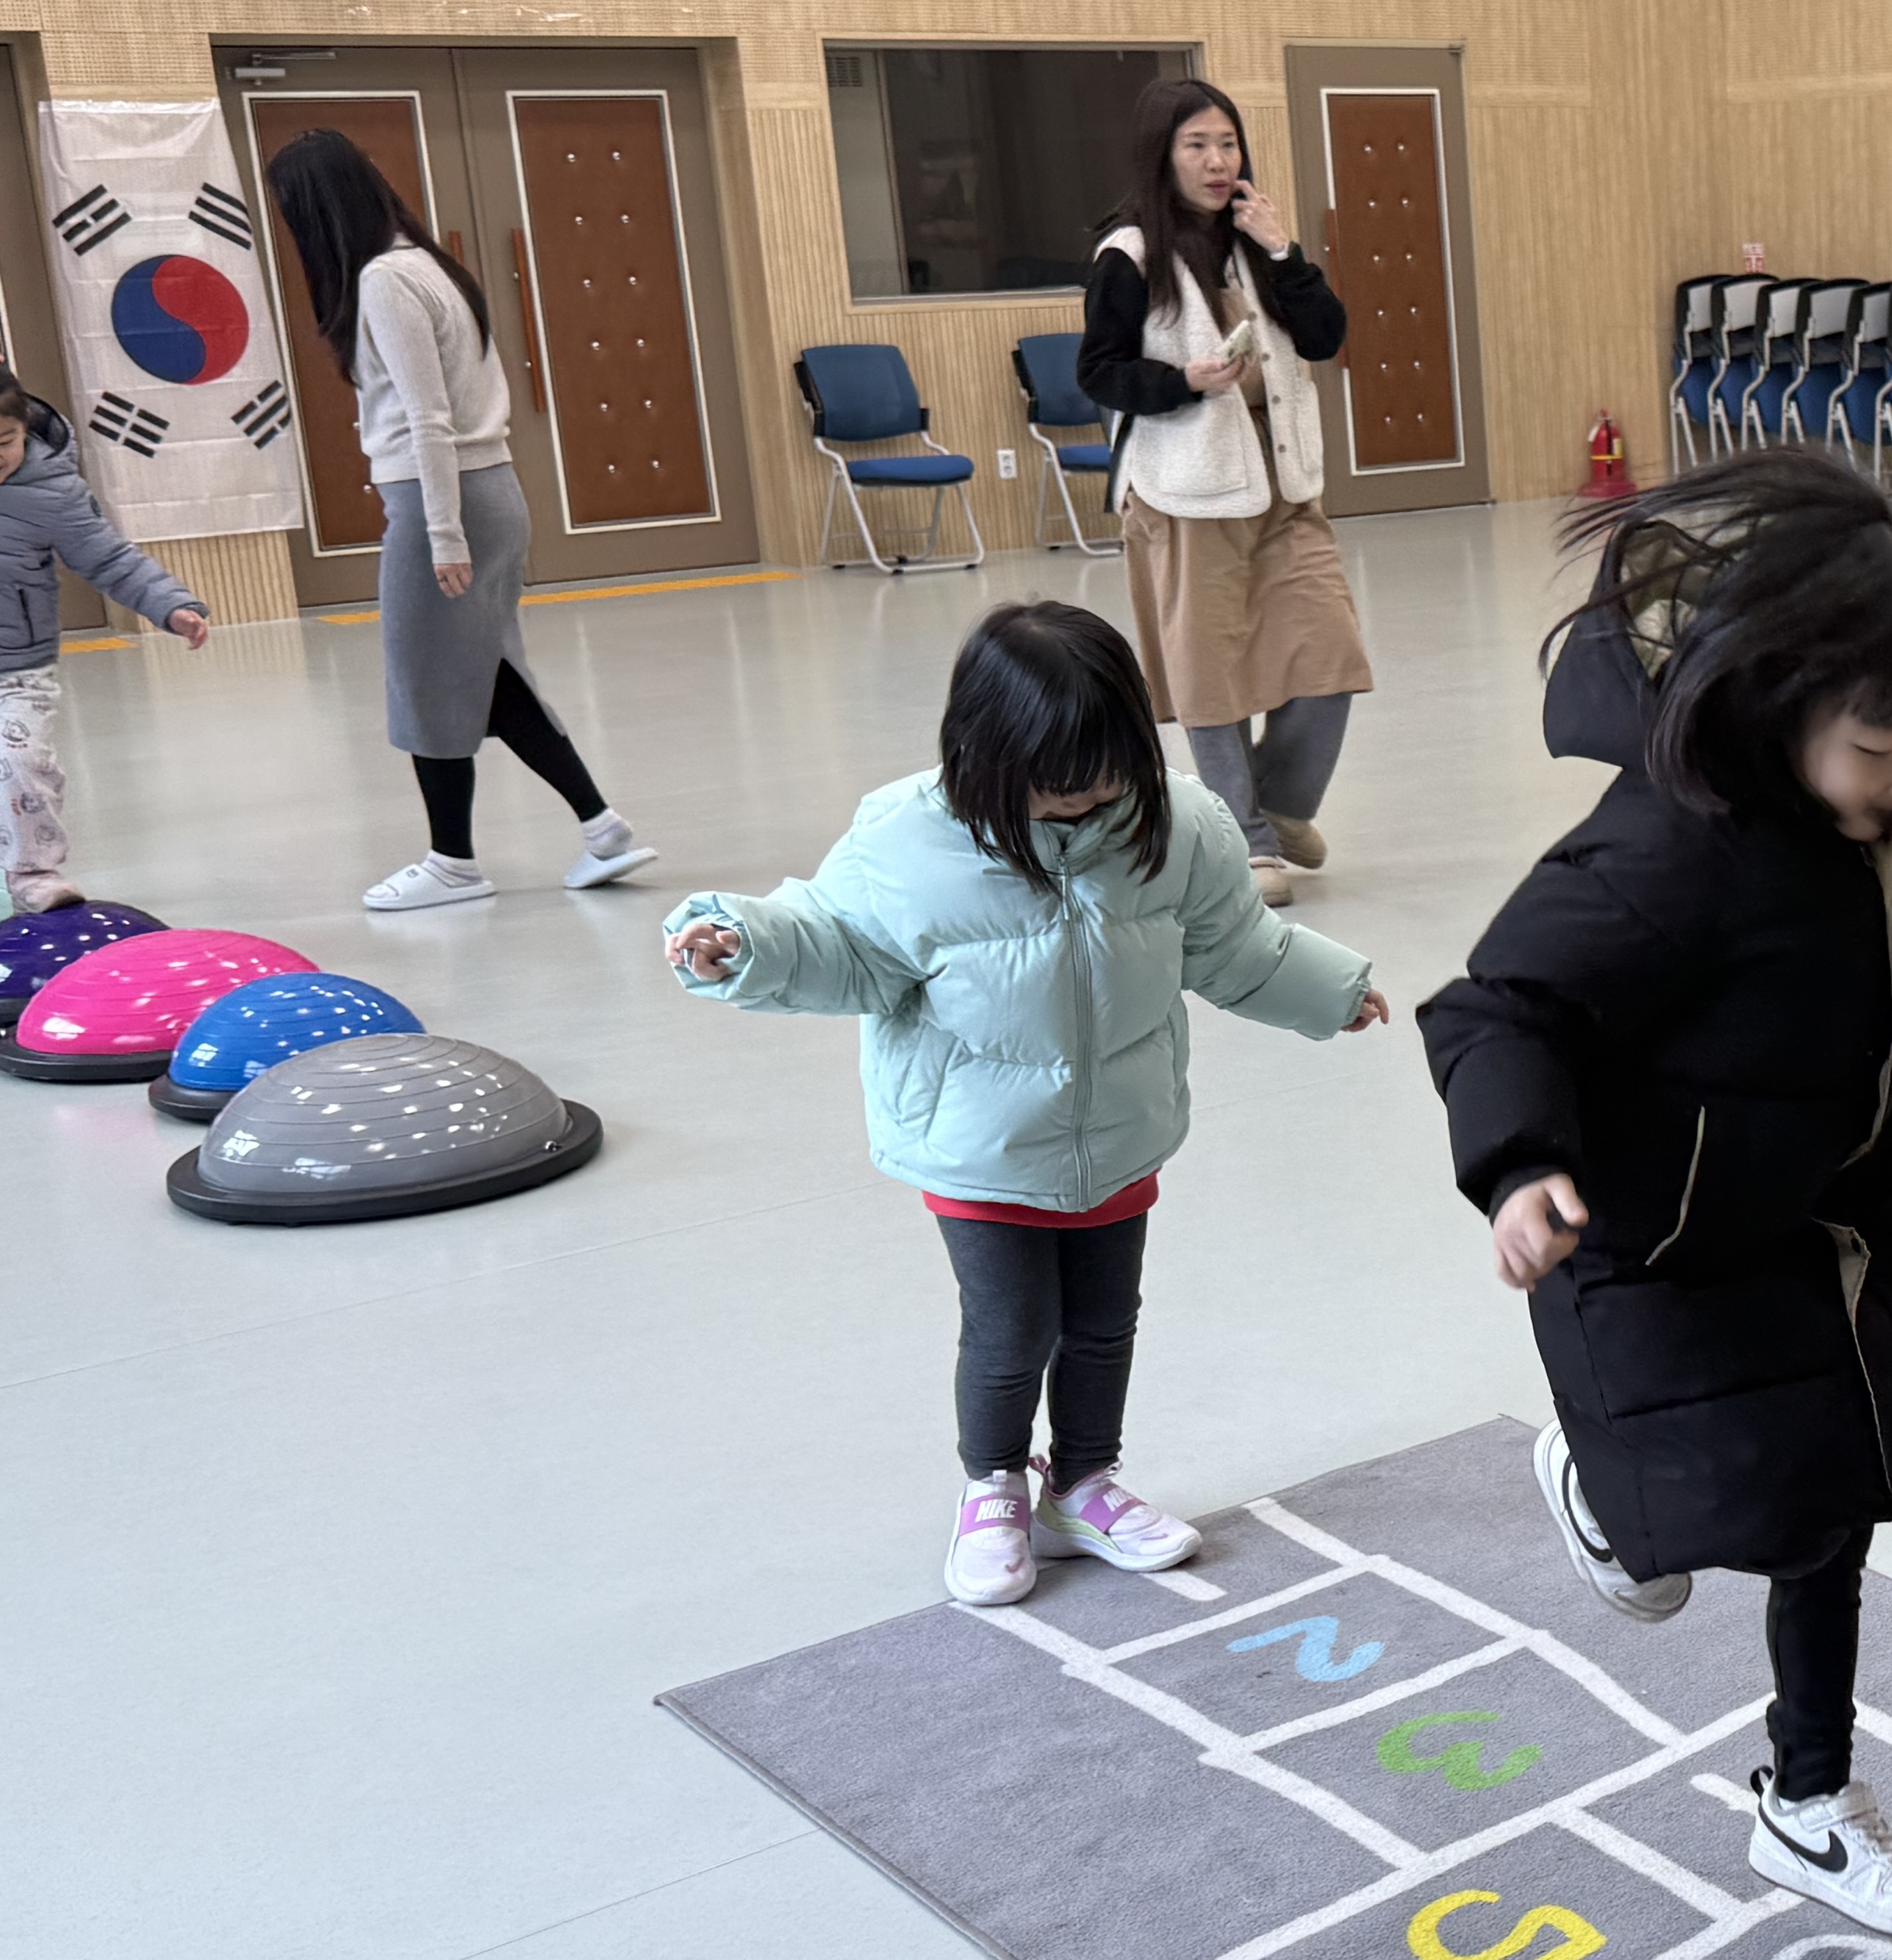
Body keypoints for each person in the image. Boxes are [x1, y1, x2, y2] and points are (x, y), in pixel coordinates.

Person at [1419, 452, 1892, 1941]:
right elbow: (1494, 1007)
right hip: (1660, 1226)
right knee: (1705, 1522)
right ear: (1782, 700)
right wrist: (1519, 1164)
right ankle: (1598, 1482)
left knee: (1838, 1505)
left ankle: (1807, 1803)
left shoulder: (1885, 796)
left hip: (1842, 1203)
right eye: (1881, 752)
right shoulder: (1672, 843)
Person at [661, 601, 1388, 1605]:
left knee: (1103, 1324)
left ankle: (1083, 1483)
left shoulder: (1178, 824)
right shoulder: (906, 839)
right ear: (981, 754)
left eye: (1106, 777)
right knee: (1012, 1330)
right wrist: (742, 942)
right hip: (980, 1146)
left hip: (1120, 1135)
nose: (1087, 803)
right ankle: (994, 1485)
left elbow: (1232, 947)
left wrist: (1332, 993)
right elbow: (835, 942)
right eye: (1058, 788)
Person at [259, 130, 653, 913]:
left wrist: (441, 533)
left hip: (445, 499)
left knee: (424, 682)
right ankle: (603, 827)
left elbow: (426, 417)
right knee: (485, 675)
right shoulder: (430, 263)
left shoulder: (383, 281)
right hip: (492, 490)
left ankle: (452, 862)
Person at [1075, 77, 1368, 910]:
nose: (1215, 160)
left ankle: (1277, 804)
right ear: (1162, 156)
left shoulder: (1253, 242)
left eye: (1227, 144)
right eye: (1196, 145)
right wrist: (1185, 380)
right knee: (1211, 674)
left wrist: (1284, 251)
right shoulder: (1128, 256)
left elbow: (1325, 336)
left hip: (1283, 485)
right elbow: (1098, 372)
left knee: (1330, 657)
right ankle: (1246, 842)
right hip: (1186, 489)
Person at [0, 363, 210, 911]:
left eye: (5, 441)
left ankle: (34, 872)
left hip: (18, 669)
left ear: (24, 429)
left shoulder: (51, 490)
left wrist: (172, 606)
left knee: (20, 761)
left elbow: (111, 559)